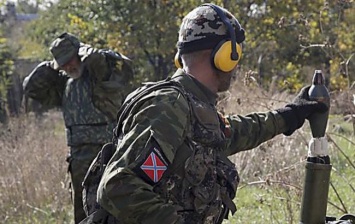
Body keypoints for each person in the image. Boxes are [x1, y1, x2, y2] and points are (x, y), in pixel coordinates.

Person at [95, 3, 328, 224]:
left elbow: (233, 132)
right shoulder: (169, 106)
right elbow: (117, 186)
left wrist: (289, 115)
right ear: (225, 55)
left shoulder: (191, 105)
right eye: (236, 51)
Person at [23, 32, 134, 224]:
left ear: (80, 54)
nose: (68, 66)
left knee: (114, 207)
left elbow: (107, 63)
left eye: (70, 60)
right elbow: (31, 88)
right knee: (83, 210)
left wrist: (85, 51)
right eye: (63, 64)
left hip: (109, 152)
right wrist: (51, 66)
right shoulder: (65, 84)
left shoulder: (100, 75)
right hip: (79, 158)